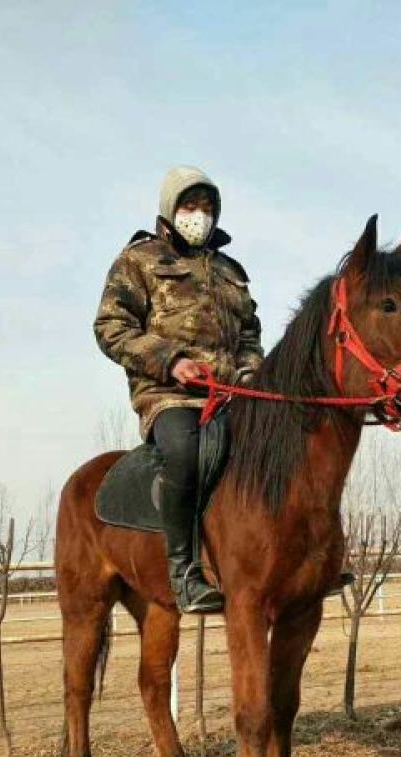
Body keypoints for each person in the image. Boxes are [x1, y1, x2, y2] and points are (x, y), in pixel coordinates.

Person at [94, 166, 263, 614]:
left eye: (208, 208)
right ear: (170, 209)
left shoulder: (230, 270)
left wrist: (249, 373)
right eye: (190, 206)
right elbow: (111, 326)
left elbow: (249, 336)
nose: (199, 216)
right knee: (185, 452)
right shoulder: (139, 260)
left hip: (232, 396)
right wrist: (171, 360)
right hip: (169, 395)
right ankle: (184, 571)